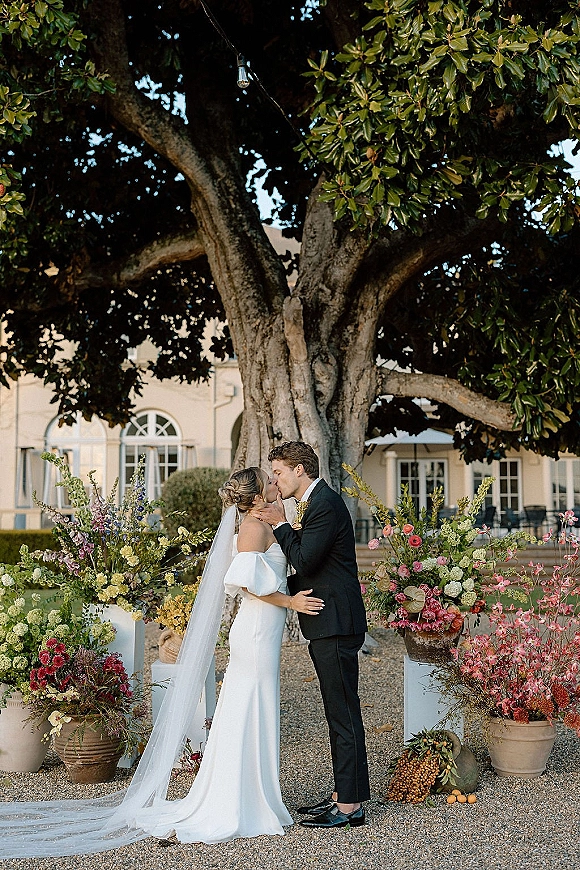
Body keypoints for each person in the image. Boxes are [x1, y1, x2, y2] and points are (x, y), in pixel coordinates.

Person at [0, 467, 323, 856]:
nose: (276, 483)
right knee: (246, 706)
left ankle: (256, 795)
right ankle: (237, 801)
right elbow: (249, 585)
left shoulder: (267, 522)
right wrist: (291, 602)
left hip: (265, 631)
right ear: (255, 497)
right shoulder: (253, 529)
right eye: (269, 481)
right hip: (256, 630)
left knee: (254, 706)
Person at [256, 441, 370, 830]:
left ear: (300, 470)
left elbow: (305, 559)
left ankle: (351, 805)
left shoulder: (324, 503)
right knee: (337, 711)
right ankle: (343, 793)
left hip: (335, 621)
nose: (275, 479)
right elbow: (311, 566)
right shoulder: (314, 501)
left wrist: (279, 524)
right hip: (327, 619)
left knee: (343, 713)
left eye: (280, 472)